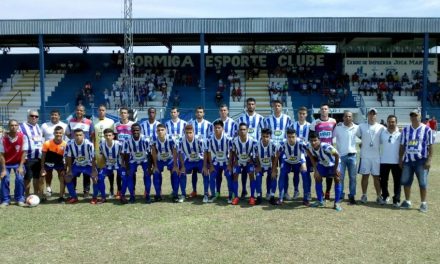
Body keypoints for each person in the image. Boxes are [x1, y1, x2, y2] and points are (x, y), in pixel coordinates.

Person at [399, 109, 433, 212]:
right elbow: (402, 146)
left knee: (422, 183)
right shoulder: (405, 130)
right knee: (406, 181)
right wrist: (400, 159)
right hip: (408, 161)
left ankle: (423, 203)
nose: (414, 117)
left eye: (416, 115)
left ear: (420, 116)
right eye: (412, 115)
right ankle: (407, 201)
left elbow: (430, 146)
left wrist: (429, 160)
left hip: (421, 161)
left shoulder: (427, 129)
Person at [306, 131, 343, 212]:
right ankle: (320, 201)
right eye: (311, 140)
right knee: (317, 177)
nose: (313, 142)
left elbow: (337, 155)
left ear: (319, 140)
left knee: (337, 179)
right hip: (323, 164)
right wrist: (315, 170)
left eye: (315, 140)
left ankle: (336, 203)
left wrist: (336, 168)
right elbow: (311, 157)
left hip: (334, 164)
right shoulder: (308, 146)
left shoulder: (326, 147)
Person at [264, 99, 292, 200]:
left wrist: (281, 144)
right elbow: (266, 135)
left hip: (283, 150)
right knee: (271, 171)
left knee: (284, 171)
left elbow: (289, 134)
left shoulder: (287, 119)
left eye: (279, 106)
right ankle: (269, 192)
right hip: (271, 150)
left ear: (282, 107)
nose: (277, 107)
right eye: (275, 106)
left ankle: (285, 192)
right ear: (273, 107)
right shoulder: (267, 119)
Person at [356, 108, 385, 204]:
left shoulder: (381, 127)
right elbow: (353, 131)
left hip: (376, 157)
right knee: (365, 176)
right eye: (370, 114)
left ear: (376, 116)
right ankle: (364, 195)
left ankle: (379, 196)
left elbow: (390, 132)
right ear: (367, 115)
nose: (372, 116)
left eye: (374, 114)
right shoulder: (361, 126)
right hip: (365, 156)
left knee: (377, 177)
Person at [237, 98, 264, 198]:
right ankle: (244, 190)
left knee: (256, 171)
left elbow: (263, 134)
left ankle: (257, 192)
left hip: (256, 150)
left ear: (255, 105)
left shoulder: (261, 118)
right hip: (244, 149)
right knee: (244, 170)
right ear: (246, 106)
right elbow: (238, 133)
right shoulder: (241, 119)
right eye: (249, 104)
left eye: (252, 104)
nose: (251, 106)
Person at [309, 103, 337, 200]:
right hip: (317, 152)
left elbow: (334, 136)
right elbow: (312, 137)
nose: (324, 110)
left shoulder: (333, 122)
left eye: (325, 109)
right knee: (318, 173)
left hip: (329, 152)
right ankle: (319, 191)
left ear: (328, 110)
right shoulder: (315, 123)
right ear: (320, 111)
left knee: (330, 175)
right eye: (322, 109)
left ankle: (328, 191)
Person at [66, 105, 94, 198]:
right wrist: (74, 141)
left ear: (84, 112)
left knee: (87, 171)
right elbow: (68, 133)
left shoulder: (89, 122)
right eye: (77, 110)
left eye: (81, 110)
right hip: (74, 150)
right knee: (74, 170)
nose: (79, 112)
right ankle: (73, 190)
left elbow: (92, 135)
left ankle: (86, 191)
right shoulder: (71, 121)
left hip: (86, 149)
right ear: (75, 111)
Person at [277, 128, 310, 206]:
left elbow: (309, 154)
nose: (291, 139)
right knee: (282, 174)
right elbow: (277, 155)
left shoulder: (301, 143)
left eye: (293, 137)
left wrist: (308, 165)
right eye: (289, 137)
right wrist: (274, 169)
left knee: (305, 174)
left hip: (299, 160)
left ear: (296, 136)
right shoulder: (282, 143)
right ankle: (280, 198)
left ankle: (305, 198)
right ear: (286, 136)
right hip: (287, 160)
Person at [64, 129, 98, 204]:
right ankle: (74, 197)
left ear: (84, 136)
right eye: (76, 135)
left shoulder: (89, 144)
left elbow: (93, 157)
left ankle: (95, 198)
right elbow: (68, 157)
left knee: (95, 178)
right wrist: (69, 170)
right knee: (67, 178)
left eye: (80, 135)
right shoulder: (70, 144)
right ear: (73, 136)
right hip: (77, 165)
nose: (78, 137)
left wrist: (93, 170)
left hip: (88, 165)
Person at [332, 111, 359, 205]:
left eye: (350, 116)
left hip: (352, 156)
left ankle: (352, 196)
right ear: (343, 118)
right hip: (341, 157)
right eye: (346, 116)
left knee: (353, 178)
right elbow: (330, 137)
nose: (348, 118)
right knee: (340, 177)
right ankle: (340, 195)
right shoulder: (338, 127)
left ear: (352, 118)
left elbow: (364, 137)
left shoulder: (356, 127)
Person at [0, 120, 28, 207]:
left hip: (18, 162)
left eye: (16, 125)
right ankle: (5, 200)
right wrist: (3, 169)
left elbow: (24, 152)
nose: (14, 127)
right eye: (12, 125)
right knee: (5, 178)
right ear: (8, 126)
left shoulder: (23, 137)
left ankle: (19, 199)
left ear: (18, 126)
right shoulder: (3, 138)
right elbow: (1, 155)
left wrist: (20, 166)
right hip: (6, 162)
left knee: (19, 178)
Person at [203, 120, 232, 202]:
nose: (217, 129)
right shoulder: (209, 139)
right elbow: (208, 152)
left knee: (229, 176)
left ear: (223, 128)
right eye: (215, 128)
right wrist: (211, 166)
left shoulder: (228, 138)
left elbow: (231, 152)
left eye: (219, 128)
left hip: (226, 162)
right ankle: (213, 194)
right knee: (212, 176)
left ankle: (230, 195)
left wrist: (230, 165)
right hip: (215, 162)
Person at [122, 123, 151, 204]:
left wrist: (149, 167)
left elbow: (149, 154)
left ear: (140, 131)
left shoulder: (146, 139)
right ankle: (132, 196)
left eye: (137, 130)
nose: (135, 132)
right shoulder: (127, 141)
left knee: (147, 175)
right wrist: (127, 168)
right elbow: (126, 155)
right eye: (134, 130)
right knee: (129, 175)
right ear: (131, 131)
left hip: (144, 159)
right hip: (133, 160)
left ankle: (147, 195)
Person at [213, 104, 237, 196]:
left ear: (228, 111)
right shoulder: (215, 122)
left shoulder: (233, 123)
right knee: (218, 174)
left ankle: (231, 193)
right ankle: (217, 192)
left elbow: (235, 137)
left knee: (229, 175)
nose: (223, 112)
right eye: (221, 110)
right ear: (219, 112)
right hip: (217, 154)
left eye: (224, 110)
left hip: (229, 154)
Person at [229, 123, 256, 205]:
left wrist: (252, 160)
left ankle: (252, 197)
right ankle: (236, 197)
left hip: (249, 161)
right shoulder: (234, 140)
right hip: (239, 161)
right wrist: (233, 162)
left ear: (247, 130)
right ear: (238, 131)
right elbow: (232, 152)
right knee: (235, 175)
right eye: (241, 129)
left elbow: (255, 152)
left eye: (244, 129)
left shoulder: (253, 140)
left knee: (251, 174)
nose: (242, 131)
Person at [188, 107, 212, 198]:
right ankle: (194, 191)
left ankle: (207, 191)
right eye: (197, 112)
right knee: (194, 171)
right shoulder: (190, 123)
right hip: (193, 152)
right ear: (195, 113)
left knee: (205, 171)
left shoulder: (209, 124)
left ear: (204, 113)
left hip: (204, 152)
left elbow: (210, 137)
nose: (199, 113)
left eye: (201, 112)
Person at [178, 124, 205, 203]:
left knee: (206, 173)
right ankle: (183, 194)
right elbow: (180, 153)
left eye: (190, 132)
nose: (189, 134)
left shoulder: (199, 140)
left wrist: (205, 165)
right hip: (189, 161)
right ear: (184, 133)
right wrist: (182, 166)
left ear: (194, 132)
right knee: (182, 173)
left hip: (199, 160)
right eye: (187, 133)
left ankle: (206, 194)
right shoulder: (181, 141)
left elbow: (205, 152)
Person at [19, 110, 44, 198]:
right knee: (27, 177)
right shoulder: (21, 127)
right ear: (28, 116)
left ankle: (36, 194)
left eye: (36, 116)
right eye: (32, 116)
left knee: (37, 177)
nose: (34, 117)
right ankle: (27, 195)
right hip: (27, 157)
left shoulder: (38, 127)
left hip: (38, 157)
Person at [151, 124, 178, 202]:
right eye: (158, 130)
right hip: (160, 160)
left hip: (170, 159)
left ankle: (175, 194)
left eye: (162, 130)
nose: (160, 132)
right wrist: (155, 166)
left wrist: (175, 165)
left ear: (166, 131)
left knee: (175, 173)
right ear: (156, 131)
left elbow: (175, 152)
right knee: (156, 173)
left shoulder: (171, 138)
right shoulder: (154, 139)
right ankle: (158, 194)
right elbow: (153, 152)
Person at [92, 104, 115, 198]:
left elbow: (114, 136)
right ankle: (99, 190)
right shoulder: (93, 121)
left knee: (109, 170)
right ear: (98, 111)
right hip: (98, 150)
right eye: (100, 110)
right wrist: (93, 149)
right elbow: (93, 137)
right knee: (98, 171)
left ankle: (112, 189)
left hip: (108, 150)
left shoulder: (111, 122)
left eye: (103, 110)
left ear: (106, 111)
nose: (101, 112)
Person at [40, 126, 67, 203]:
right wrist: (42, 168)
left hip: (59, 163)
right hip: (48, 163)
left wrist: (65, 169)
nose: (58, 134)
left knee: (62, 177)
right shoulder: (47, 143)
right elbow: (43, 156)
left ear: (63, 133)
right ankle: (42, 197)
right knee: (42, 177)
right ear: (54, 133)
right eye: (56, 133)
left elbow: (66, 158)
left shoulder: (65, 144)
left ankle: (61, 197)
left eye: (60, 133)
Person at [289, 106, 312, 200]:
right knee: (295, 173)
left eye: (303, 114)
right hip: (295, 154)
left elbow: (312, 140)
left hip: (306, 154)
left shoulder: (310, 126)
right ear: (297, 114)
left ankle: (308, 192)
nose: (302, 115)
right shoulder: (292, 125)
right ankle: (296, 191)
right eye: (300, 113)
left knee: (306, 174)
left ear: (306, 115)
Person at [379, 115, 402, 207]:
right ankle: (385, 196)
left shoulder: (400, 133)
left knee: (397, 181)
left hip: (396, 161)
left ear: (396, 122)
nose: (391, 123)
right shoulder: (382, 133)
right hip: (384, 161)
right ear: (387, 122)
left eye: (393, 122)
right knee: (383, 181)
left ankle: (396, 200)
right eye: (389, 122)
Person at [98, 129, 125, 204]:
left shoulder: (119, 144)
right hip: (108, 165)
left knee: (125, 178)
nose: (108, 137)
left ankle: (122, 196)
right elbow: (102, 154)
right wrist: (102, 164)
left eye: (110, 135)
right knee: (100, 178)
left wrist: (123, 163)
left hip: (118, 164)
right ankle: (103, 197)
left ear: (113, 136)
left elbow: (123, 154)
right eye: (106, 135)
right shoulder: (102, 145)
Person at [254, 128, 278, 205]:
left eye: (267, 136)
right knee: (257, 175)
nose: (265, 138)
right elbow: (256, 156)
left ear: (270, 136)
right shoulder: (256, 145)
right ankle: (258, 196)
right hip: (261, 165)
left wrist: (274, 169)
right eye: (263, 136)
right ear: (261, 136)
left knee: (274, 176)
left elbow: (275, 158)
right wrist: (258, 166)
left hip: (270, 165)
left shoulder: (274, 145)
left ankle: (272, 196)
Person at [113, 107, 134, 199]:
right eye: (122, 113)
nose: (123, 114)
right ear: (120, 114)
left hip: (130, 152)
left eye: (125, 113)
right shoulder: (116, 125)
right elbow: (115, 138)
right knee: (119, 171)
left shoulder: (132, 124)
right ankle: (119, 190)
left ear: (128, 114)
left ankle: (132, 189)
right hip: (120, 152)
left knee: (131, 171)